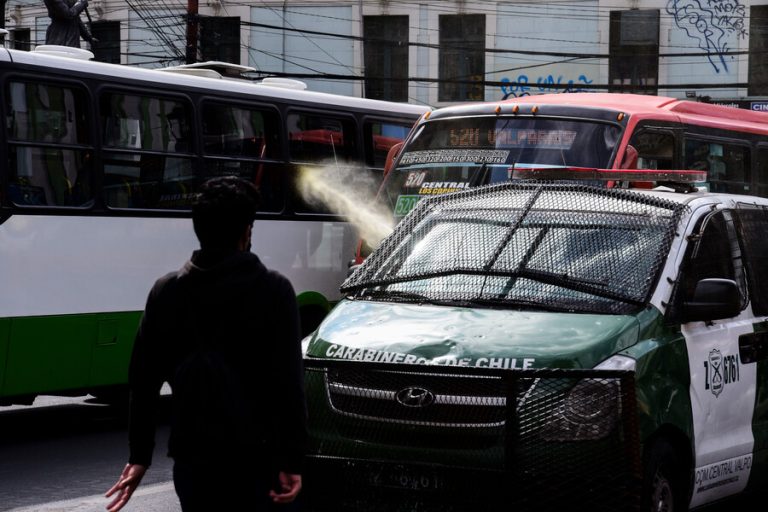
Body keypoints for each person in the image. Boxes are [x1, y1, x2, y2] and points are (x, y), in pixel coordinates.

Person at [105, 176, 307, 511]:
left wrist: (139, 456)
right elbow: (289, 385)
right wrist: (293, 460)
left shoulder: (166, 291)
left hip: (193, 460)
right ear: (247, 232)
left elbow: (143, 383)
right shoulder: (274, 290)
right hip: (257, 459)